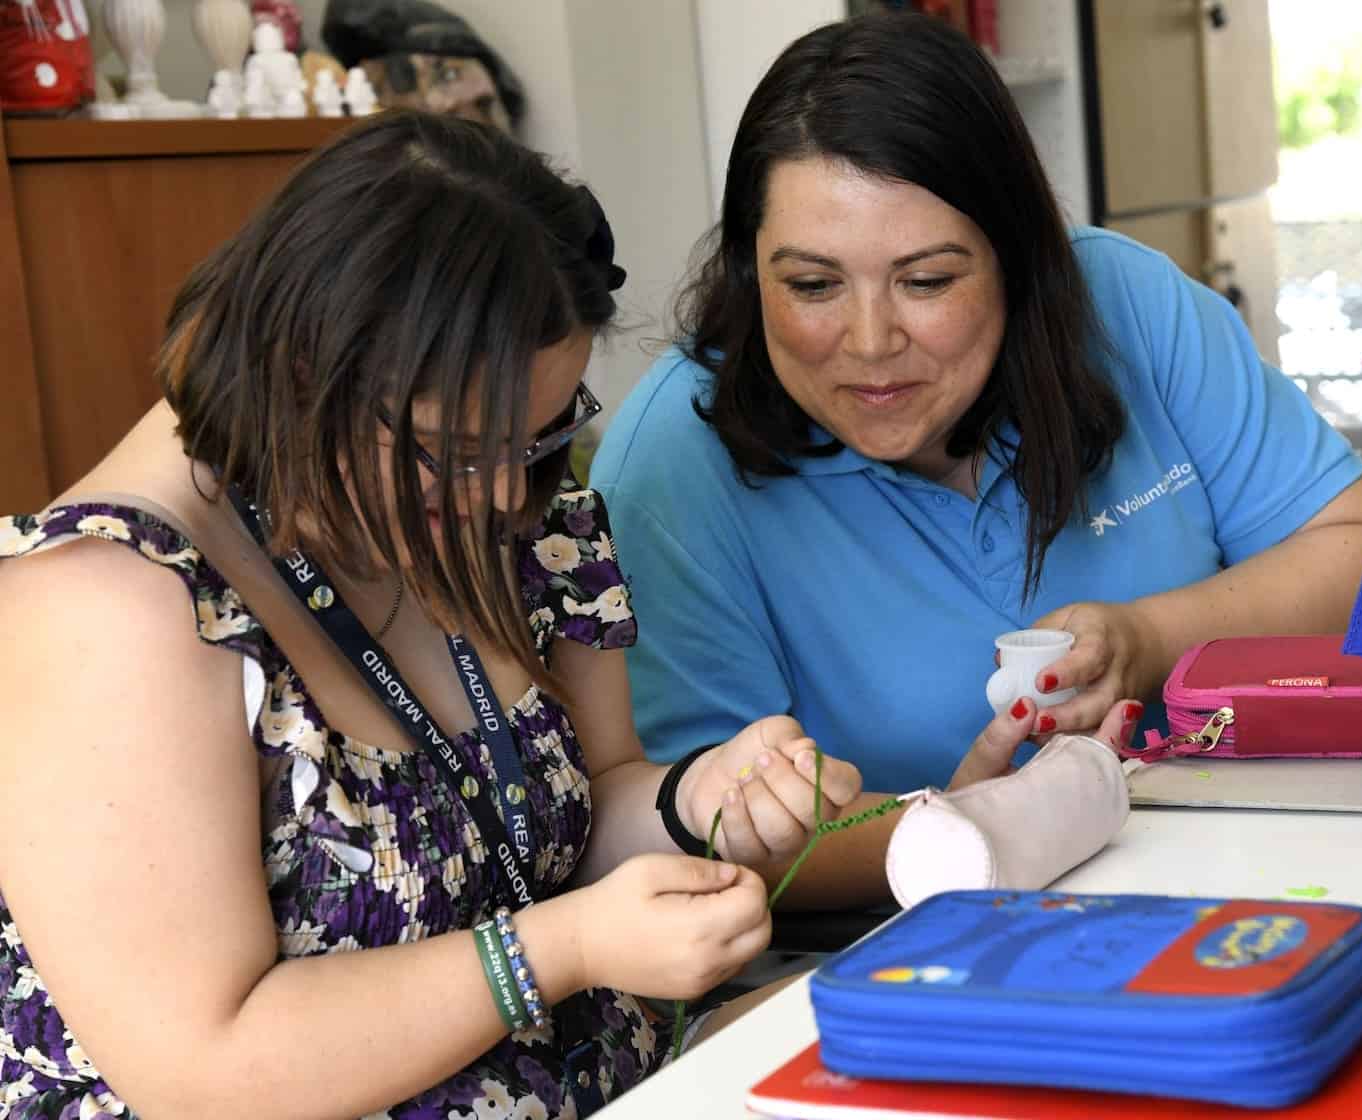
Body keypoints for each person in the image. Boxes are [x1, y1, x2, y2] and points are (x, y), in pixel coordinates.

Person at [0, 111, 860, 1118]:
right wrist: (564, 946)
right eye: (458, 448)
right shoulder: (113, 603)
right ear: (301, 377)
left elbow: (577, 811)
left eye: (541, 433)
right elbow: (204, 1065)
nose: (502, 497)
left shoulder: (523, 502)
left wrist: (695, 800)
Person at [589, 12, 1362, 906]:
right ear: (747, 274)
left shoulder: (1132, 305)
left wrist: (1152, 639)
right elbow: (699, 831)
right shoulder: (671, 464)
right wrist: (983, 830)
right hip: (900, 952)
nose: (869, 341)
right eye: (811, 285)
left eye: (927, 281)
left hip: (1263, 860)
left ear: (1019, 260)